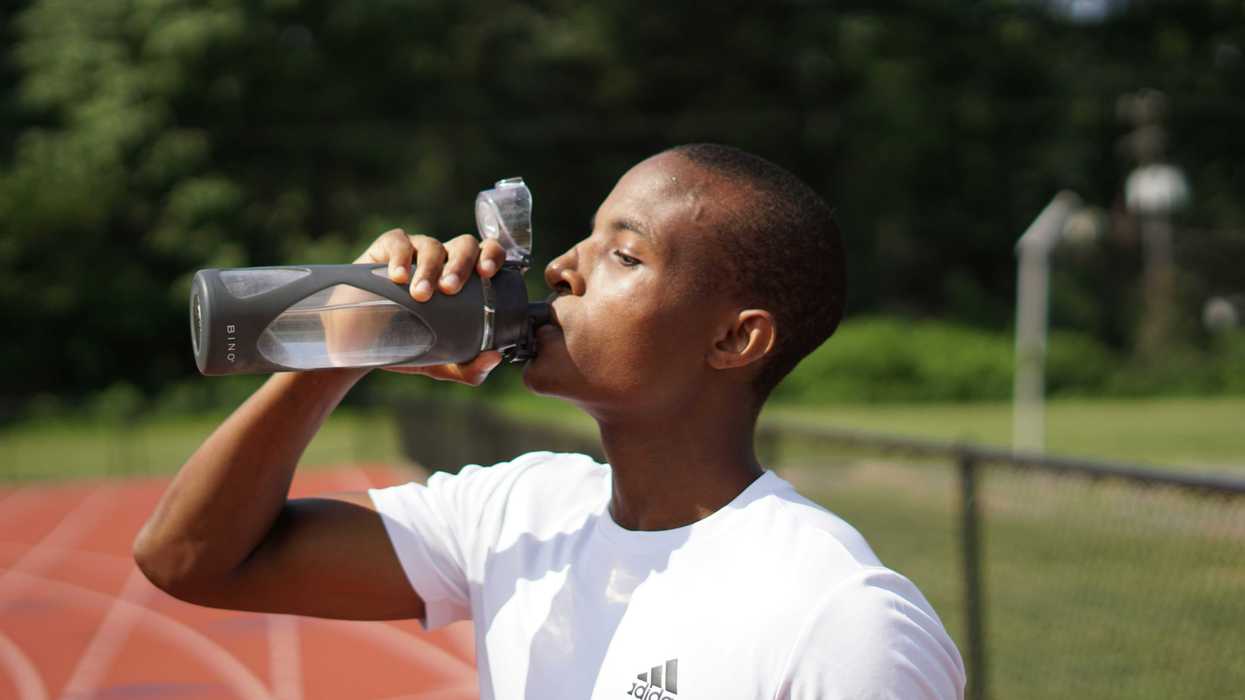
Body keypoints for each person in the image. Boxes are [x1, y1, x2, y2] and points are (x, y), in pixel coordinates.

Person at [134, 144, 965, 699]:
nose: (563, 268)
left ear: (732, 338)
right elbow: (190, 558)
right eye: (584, 239)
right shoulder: (521, 512)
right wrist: (349, 335)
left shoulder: (839, 618)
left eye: (624, 255)